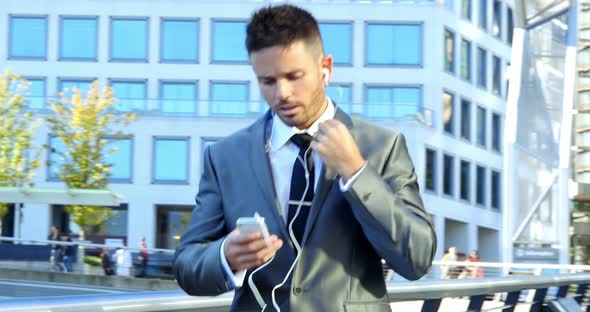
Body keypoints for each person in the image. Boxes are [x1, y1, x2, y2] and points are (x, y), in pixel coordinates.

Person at [173, 4, 436, 311]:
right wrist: (224, 256)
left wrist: (356, 172)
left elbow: (418, 258)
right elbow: (186, 264)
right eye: (267, 81)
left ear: (326, 68)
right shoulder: (225, 157)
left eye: (294, 76)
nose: (281, 93)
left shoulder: (382, 146)